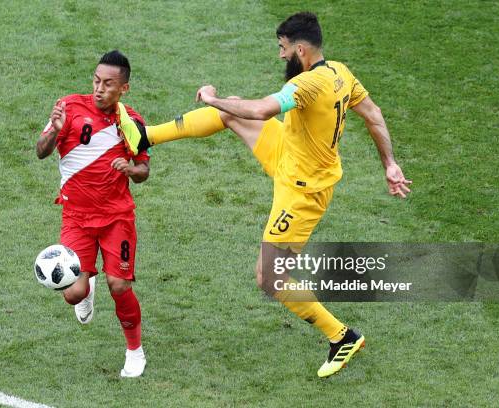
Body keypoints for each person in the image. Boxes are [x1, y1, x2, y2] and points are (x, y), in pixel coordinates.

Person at [123, 12, 412, 377]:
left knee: (270, 278)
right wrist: (390, 162)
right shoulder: (339, 72)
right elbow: (373, 114)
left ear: (301, 50)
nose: (280, 56)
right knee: (233, 111)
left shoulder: (307, 85)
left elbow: (262, 109)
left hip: (302, 192)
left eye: (283, 48)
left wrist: (212, 98)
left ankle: (342, 336)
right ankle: (145, 136)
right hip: (289, 153)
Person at [36, 50, 150, 378]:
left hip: (117, 217)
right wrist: (55, 131)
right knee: (73, 293)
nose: (99, 88)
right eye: (96, 81)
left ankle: (134, 351)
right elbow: (41, 152)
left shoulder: (132, 122)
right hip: (76, 216)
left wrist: (131, 169)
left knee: (120, 285)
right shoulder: (68, 107)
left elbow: (144, 170)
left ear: (123, 88)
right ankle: (87, 285)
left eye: (108, 84)